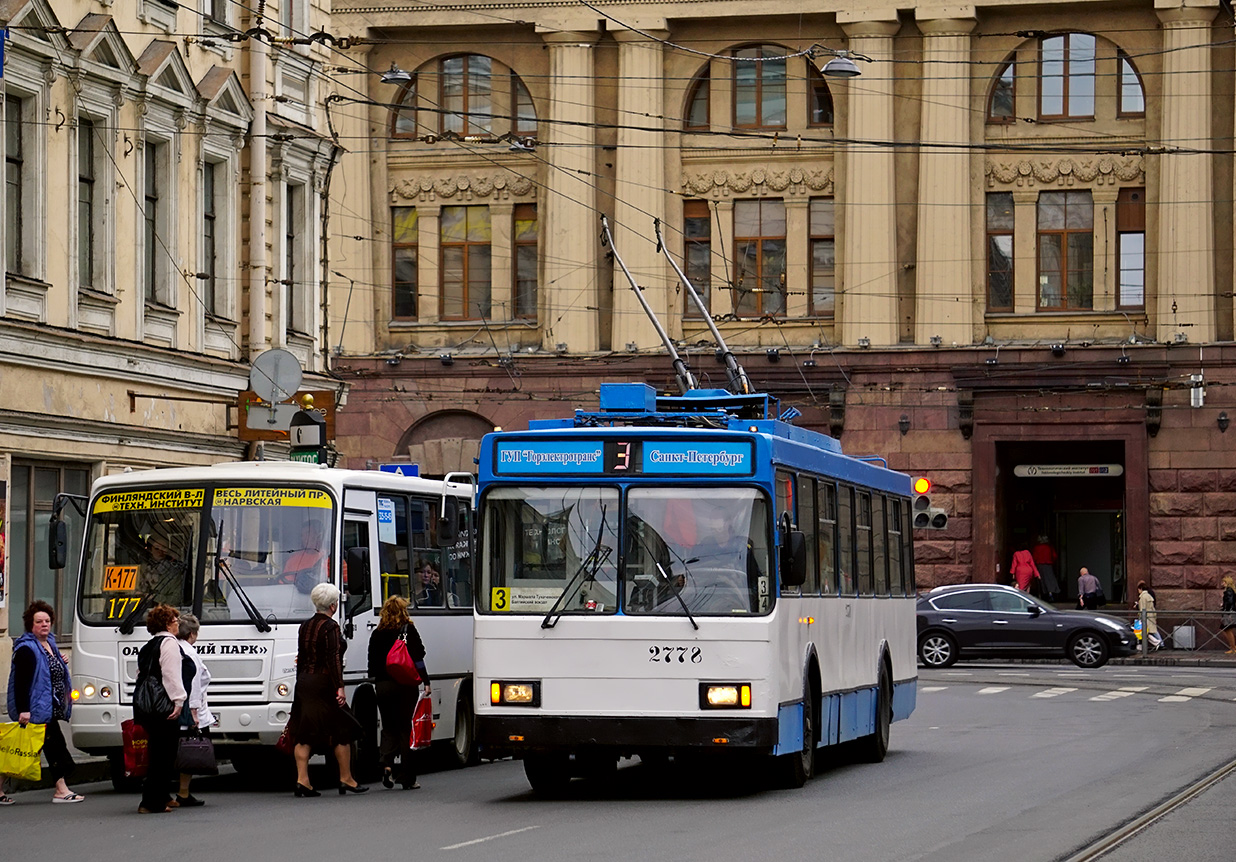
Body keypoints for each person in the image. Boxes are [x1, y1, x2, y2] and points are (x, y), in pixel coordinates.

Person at [286, 582, 367, 797]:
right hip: (323, 683)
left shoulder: (304, 626)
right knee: (343, 728)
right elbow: (333, 660)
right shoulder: (331, 627)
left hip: (304, 682)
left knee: (304, 732)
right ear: (333, 606)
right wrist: (340, 687)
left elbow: (301, 658)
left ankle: (302, 780)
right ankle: (346, 778)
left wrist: (299, 684)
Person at [5, 601, 83, 804]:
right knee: (55, 748)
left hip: (48, 708)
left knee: (21, 751)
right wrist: (24, 710)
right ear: (30, 624)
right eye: (39, 621)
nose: (44, 625)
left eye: (47, 621)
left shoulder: (50, 644)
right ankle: (61, 790)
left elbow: (49, 671)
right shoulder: (26, 649)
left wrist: (60, 660)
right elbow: (21, 683)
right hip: (36, 710)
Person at [134, 603, 193, 814]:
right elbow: (171, 675)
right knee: (164, 755)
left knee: (156, 750)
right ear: (168, 624)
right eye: (175, 621)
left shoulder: (149, 645)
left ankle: (161, 796)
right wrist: (179, 701)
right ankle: (151, 801)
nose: (178, 624)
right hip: (163, 706)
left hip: (146, 706)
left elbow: (140, 672)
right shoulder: (169, 644)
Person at [366, 596, 430, 790]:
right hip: (405, 685)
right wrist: (426, 682)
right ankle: (407, 777)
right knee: (405, 729)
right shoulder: (408, 630)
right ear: (403, 611)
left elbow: (372, 663)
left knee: (388, 727)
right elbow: (418, 657)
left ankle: (386, 765)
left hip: (383, 686)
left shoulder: (377, 633)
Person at [175, 612, 214, 807]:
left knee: (175, 752)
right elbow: (195, 685)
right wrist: (194, 713)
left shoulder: (172, 648)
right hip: (188, 711)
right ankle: (183, 792)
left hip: (173, 709)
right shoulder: (190, 653)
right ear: (191, 633)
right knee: (187, 752)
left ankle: (178, 793)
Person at [141, 532, 188, 604]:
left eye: (164, 548)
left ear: (168, 550)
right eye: (157, 548)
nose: (160, 551)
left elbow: (177, 599)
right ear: (150, 549)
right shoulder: (141, 569)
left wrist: (154, 597)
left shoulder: (174, 573)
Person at [281, 519, 329, 589]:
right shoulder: (294, 559)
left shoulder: (333, 558)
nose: (304, 538)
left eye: (308, 534)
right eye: (302, 535)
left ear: (319, 536)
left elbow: (345, 587)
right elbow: (284, 585)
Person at [1031, 536, 1061, 601]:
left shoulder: (1037, 548)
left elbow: (1034, 557)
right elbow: (1054, 556)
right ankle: (1051, 593)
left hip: (1039, 565)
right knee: (1050, 579)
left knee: (1041, 581)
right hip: (1048, 565)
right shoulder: (1049, 547)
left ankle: (1043, 595)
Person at [1135, 581, 1161, 649]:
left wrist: (1140, 618)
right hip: (1151, 616)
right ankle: (1159, 643)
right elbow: (1153, 607)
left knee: (1144, 632)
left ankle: (1157, 642)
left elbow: (1142, 609)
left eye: (1138, 590)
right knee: (1150, 631)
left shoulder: (1143, 597)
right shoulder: (1149, 596)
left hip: (1146, 617)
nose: (1138, 591)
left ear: (1140, 589)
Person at [1220, 575, 1236, 654]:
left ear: (1227, 582)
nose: (1222, 583)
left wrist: (1224, 607)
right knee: (1226, 629)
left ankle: (1233, 648)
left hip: (1228, 613)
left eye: (1223, 582)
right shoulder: (1231, 590)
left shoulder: (1229, 591)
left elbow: (1229, 602)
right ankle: (1233, 647)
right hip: (1230, 612)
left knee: (1226, 629)